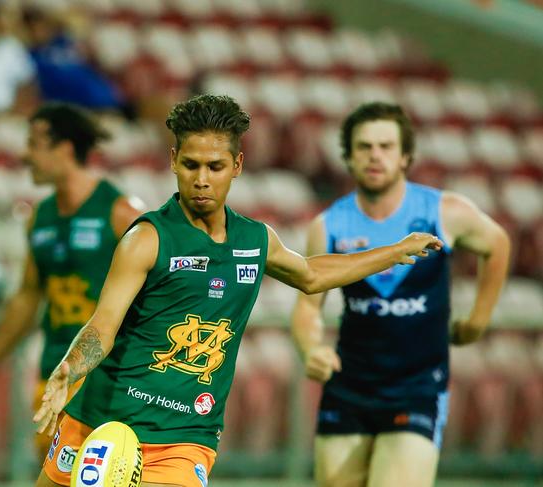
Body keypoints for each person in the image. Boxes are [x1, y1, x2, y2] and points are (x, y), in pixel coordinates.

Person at [32, 94, 443, 487]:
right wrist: (72, 366)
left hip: (184, 435)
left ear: (237, 165)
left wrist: (393, 252)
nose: (202, 180)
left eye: (215, 166)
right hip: (102, 420)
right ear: (173, 161)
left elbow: (312, 274)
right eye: (191, 165)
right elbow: (103, 324)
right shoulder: (147, 239)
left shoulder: (256, 239)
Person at [291, 102, 510, 487]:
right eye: (364, 146)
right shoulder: (329, 226)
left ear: (405, 155)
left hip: (417, 388)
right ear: (348, 157)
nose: (375, 155)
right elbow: (308, 307)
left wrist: (477, 321)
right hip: (349, 385)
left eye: (386, 145)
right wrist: (312, 349)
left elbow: (497, 244)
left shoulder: (445, 212)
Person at [0, 102, 144, 459]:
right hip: (53, 373)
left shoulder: (120, 214)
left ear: (64, 149)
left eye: (34, 144)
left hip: (108, 378)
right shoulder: (40, 217)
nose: (26, 155)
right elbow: (28, 296)